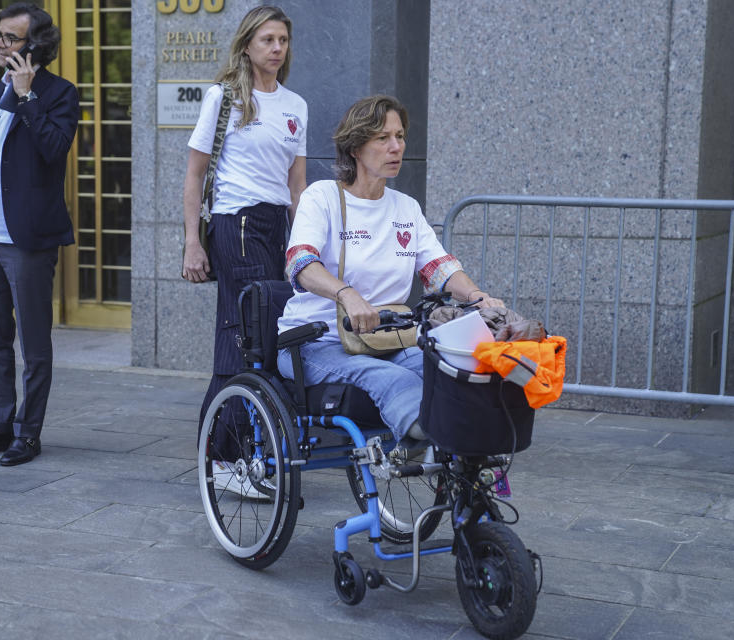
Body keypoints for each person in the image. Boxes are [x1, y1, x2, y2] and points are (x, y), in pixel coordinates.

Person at [277, 95, 503, 444]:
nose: (396, 147)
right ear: (355, 147)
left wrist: (478, 297)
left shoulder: (405, 208)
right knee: (394, 380)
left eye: (400, 137)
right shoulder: (321, 197)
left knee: (452, 371)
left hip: (387, 340)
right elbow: (301, 263)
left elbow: (439, 268)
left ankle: (458, 467)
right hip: (316, 343)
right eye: (382, 138)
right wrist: (347, 294)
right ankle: (424, 447)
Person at [182, 6, 307, 495]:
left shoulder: (296, 104)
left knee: (265, 337)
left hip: (276, 227)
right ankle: (225, 460)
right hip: (236, 225)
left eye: (283, 40)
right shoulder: (225, 97)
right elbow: (194, 174)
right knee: (242, 334)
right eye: (267, 40)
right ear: (247, 45)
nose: (276, 48)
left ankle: (250, 451)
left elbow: (297, 185)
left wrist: (305, 246)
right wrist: (194, 241)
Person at [0, 2, 78, 466]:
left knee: (34, 343)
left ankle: (28, 432)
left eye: (10, 38)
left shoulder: (60, 93)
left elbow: (53, 150)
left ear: (36, 44)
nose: (0, 44)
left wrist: (27, 97)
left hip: (27, 241)